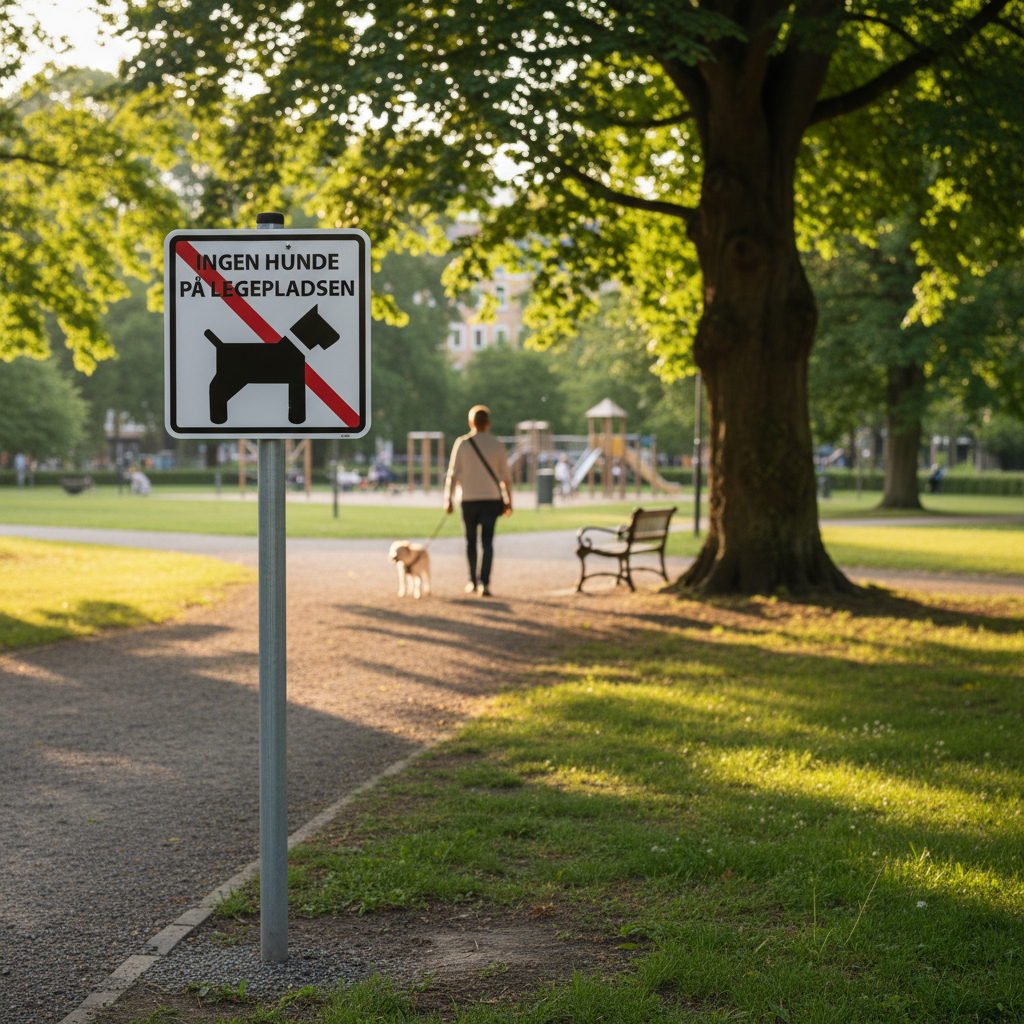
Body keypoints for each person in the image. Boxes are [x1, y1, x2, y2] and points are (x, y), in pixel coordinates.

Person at [444, 405, 513, 596]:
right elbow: (506, 477)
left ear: (470, 423)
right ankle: (485, 583)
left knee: (470, 542)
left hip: (468, 499)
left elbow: (452, 474)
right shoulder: (497, 445)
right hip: (491, 499)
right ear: (488, 424)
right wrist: (509, 500)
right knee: (487, 543)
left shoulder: (462, 443)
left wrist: (448, 499)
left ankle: (472, 581)